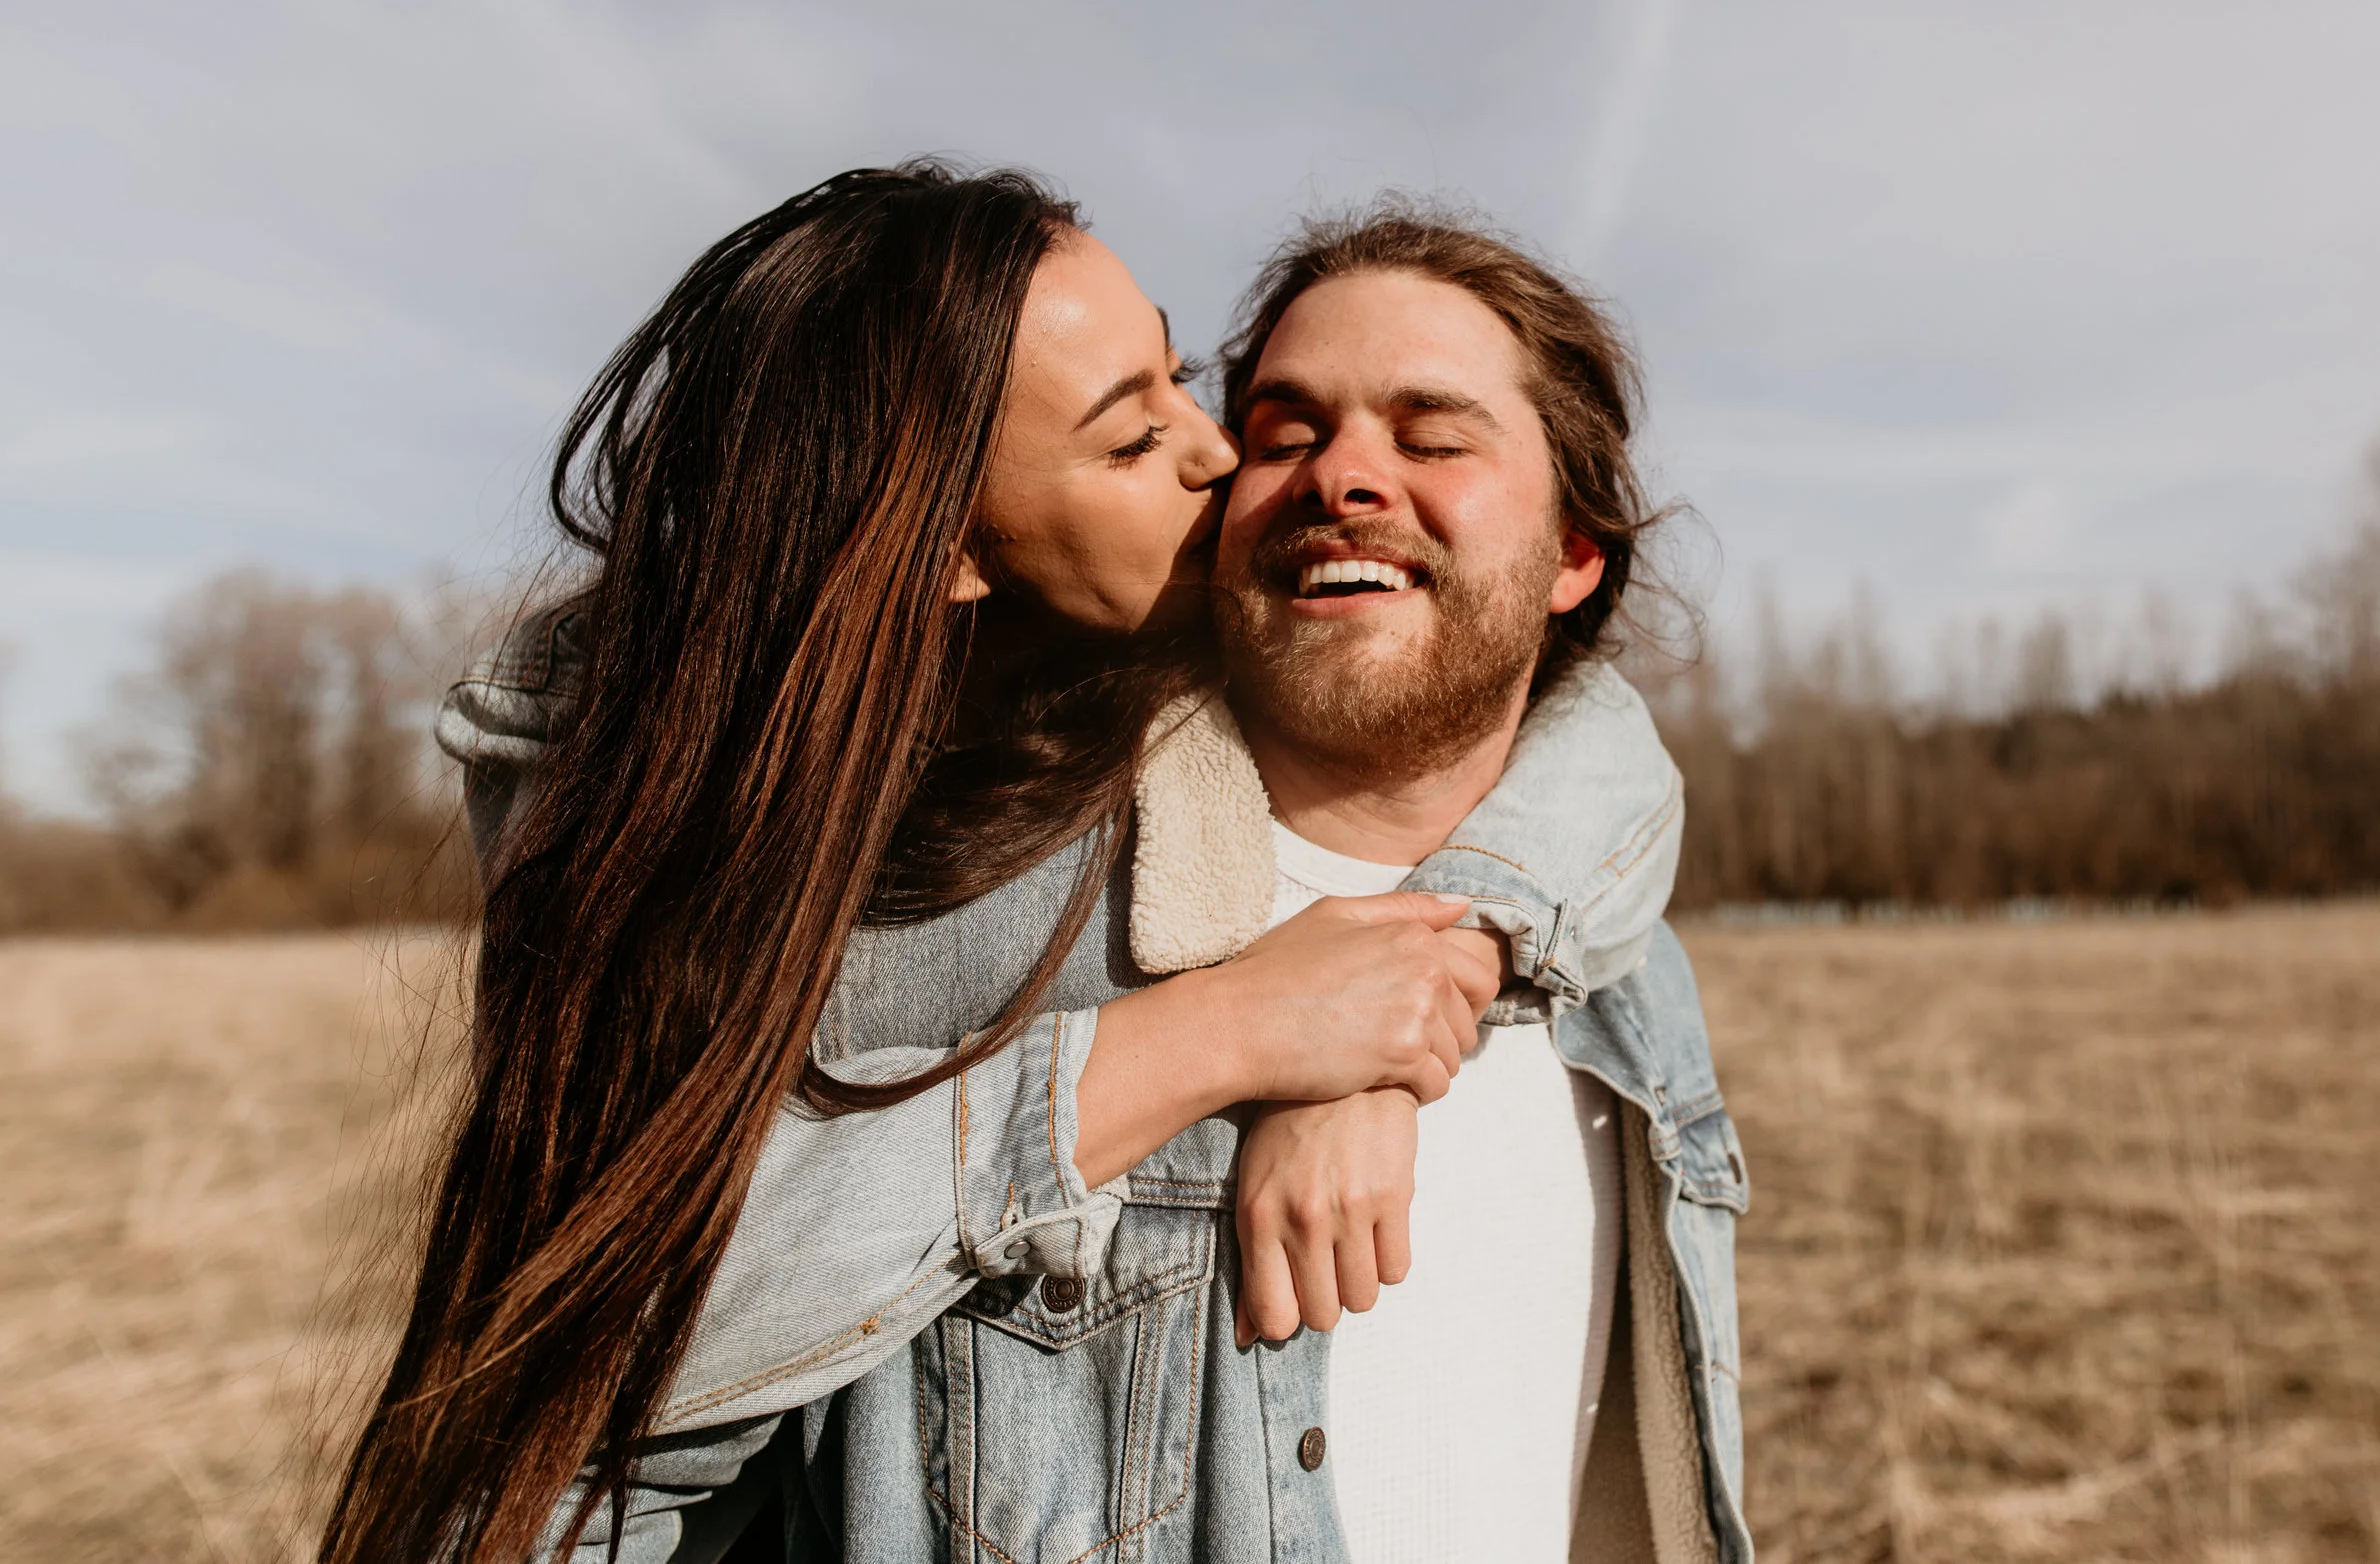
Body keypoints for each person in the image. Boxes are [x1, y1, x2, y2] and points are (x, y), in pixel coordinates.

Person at [324, 164, 1690, 1564]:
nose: (1279, 466)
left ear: (1577, 552)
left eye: (1433, 435)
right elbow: (554, 1430)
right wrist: (1218, 1037)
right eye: (1280, 423)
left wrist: (1442, 964)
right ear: (958, 545)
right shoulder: (948, 913)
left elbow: (1604, 735)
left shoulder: (1625, 961)